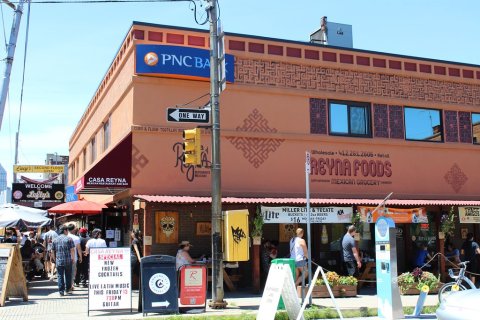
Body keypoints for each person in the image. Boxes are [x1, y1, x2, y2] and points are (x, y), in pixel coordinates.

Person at [51, 225, 75, 296]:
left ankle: (61, 291)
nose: (67, 232)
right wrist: (73, 258)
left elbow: (52, 251)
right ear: (65, 231)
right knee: (68, 275)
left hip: (59, 260)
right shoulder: (69, 239)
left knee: (60, 276)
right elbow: (72, 250)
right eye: (67, 230)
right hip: (68, 260)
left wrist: (54, 259)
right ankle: (68, 289)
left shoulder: (55, 240)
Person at [67, 224, 82, 290]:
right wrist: (80, 257)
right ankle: (71, 284)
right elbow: (78, 248)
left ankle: (67, 284)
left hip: (66, 257)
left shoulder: (65, 236)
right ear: (73, 229)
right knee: (73, 271)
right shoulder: (76, 238)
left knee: (67, 271)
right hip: (74, 257)